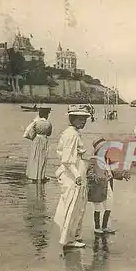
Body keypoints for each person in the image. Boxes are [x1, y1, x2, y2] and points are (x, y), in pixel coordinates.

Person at [53, 104, 91, 249]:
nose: (84, 121)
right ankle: (68, 239)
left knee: (75, 205)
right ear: (72, 119)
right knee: (72, 205)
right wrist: (77, 175)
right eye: (80, 119)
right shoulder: (72, 134)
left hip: (75, 170)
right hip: (72, 173)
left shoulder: (71, 132)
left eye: (85, 119)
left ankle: (73, 235)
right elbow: (67, 159)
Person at [87, 137, 131, 235]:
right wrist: (96, 178)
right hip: (97, 188)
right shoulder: (94, 161)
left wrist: (122, 174)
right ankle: (97, 227)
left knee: (109, 204)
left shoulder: (106, 161)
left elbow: (111, 173)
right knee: (97, 207)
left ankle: (104, 226)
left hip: (107, 185)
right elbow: (89, 173)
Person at [23, 107, 52, 182]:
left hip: (36, 140)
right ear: (47, 115)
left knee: (35, 157)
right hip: (44, 140)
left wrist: (32, 137)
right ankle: (41, 176)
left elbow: (26, 134)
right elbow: (49, 134)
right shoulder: (49, 123)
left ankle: (33, 176)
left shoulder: (36, 122)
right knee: (42, 158)